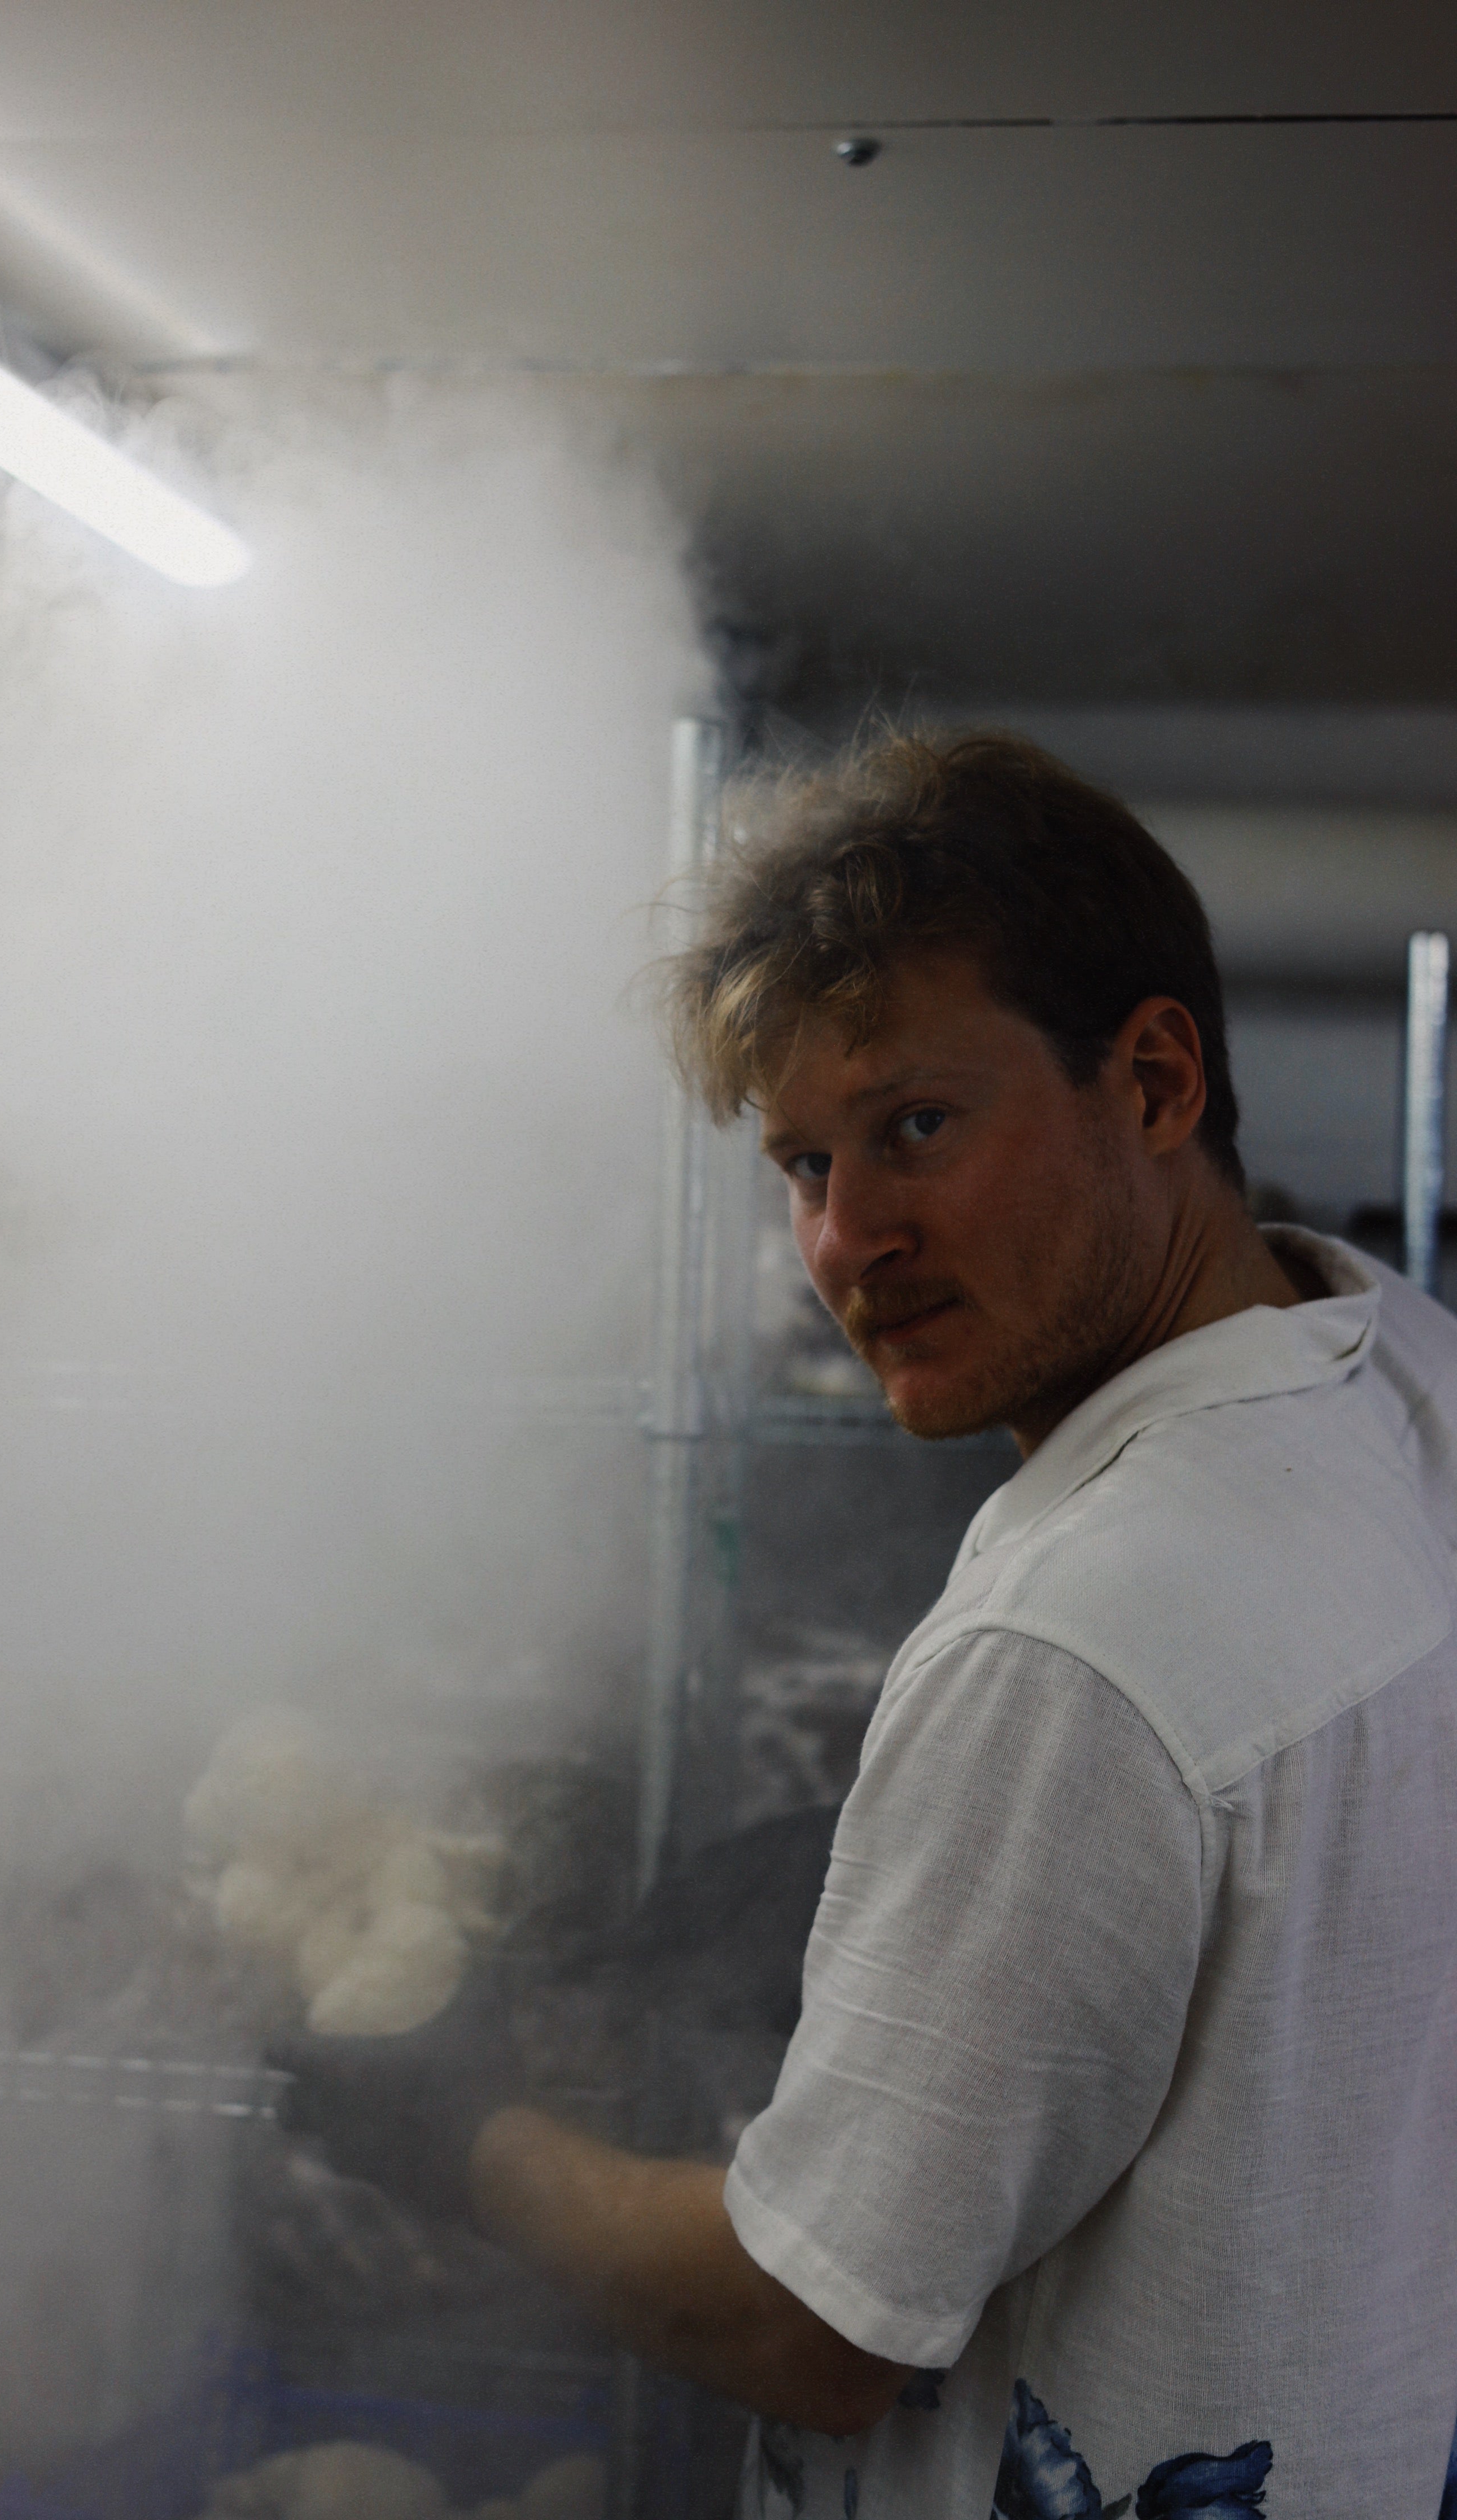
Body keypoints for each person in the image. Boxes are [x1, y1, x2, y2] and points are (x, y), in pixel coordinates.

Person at [272, 730, 1457, 2518]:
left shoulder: (1077, 1641)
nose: (848, 1241)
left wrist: (461, 2140)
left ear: (1149, 1081)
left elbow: (815, 2328)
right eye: (803, 1166)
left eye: (916, 1126)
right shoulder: (1395, 1360)